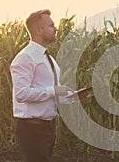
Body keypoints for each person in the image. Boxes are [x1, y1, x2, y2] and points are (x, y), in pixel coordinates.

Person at [10, 9, 72, 162]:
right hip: (32, 128)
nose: (55, 28)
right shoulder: (26, 57)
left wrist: (73, 97)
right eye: (51, 25)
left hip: (47, 127)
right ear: (39, 30)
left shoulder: (48, 58)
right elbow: (21, 94)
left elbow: (54, 93)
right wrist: (53, 90)